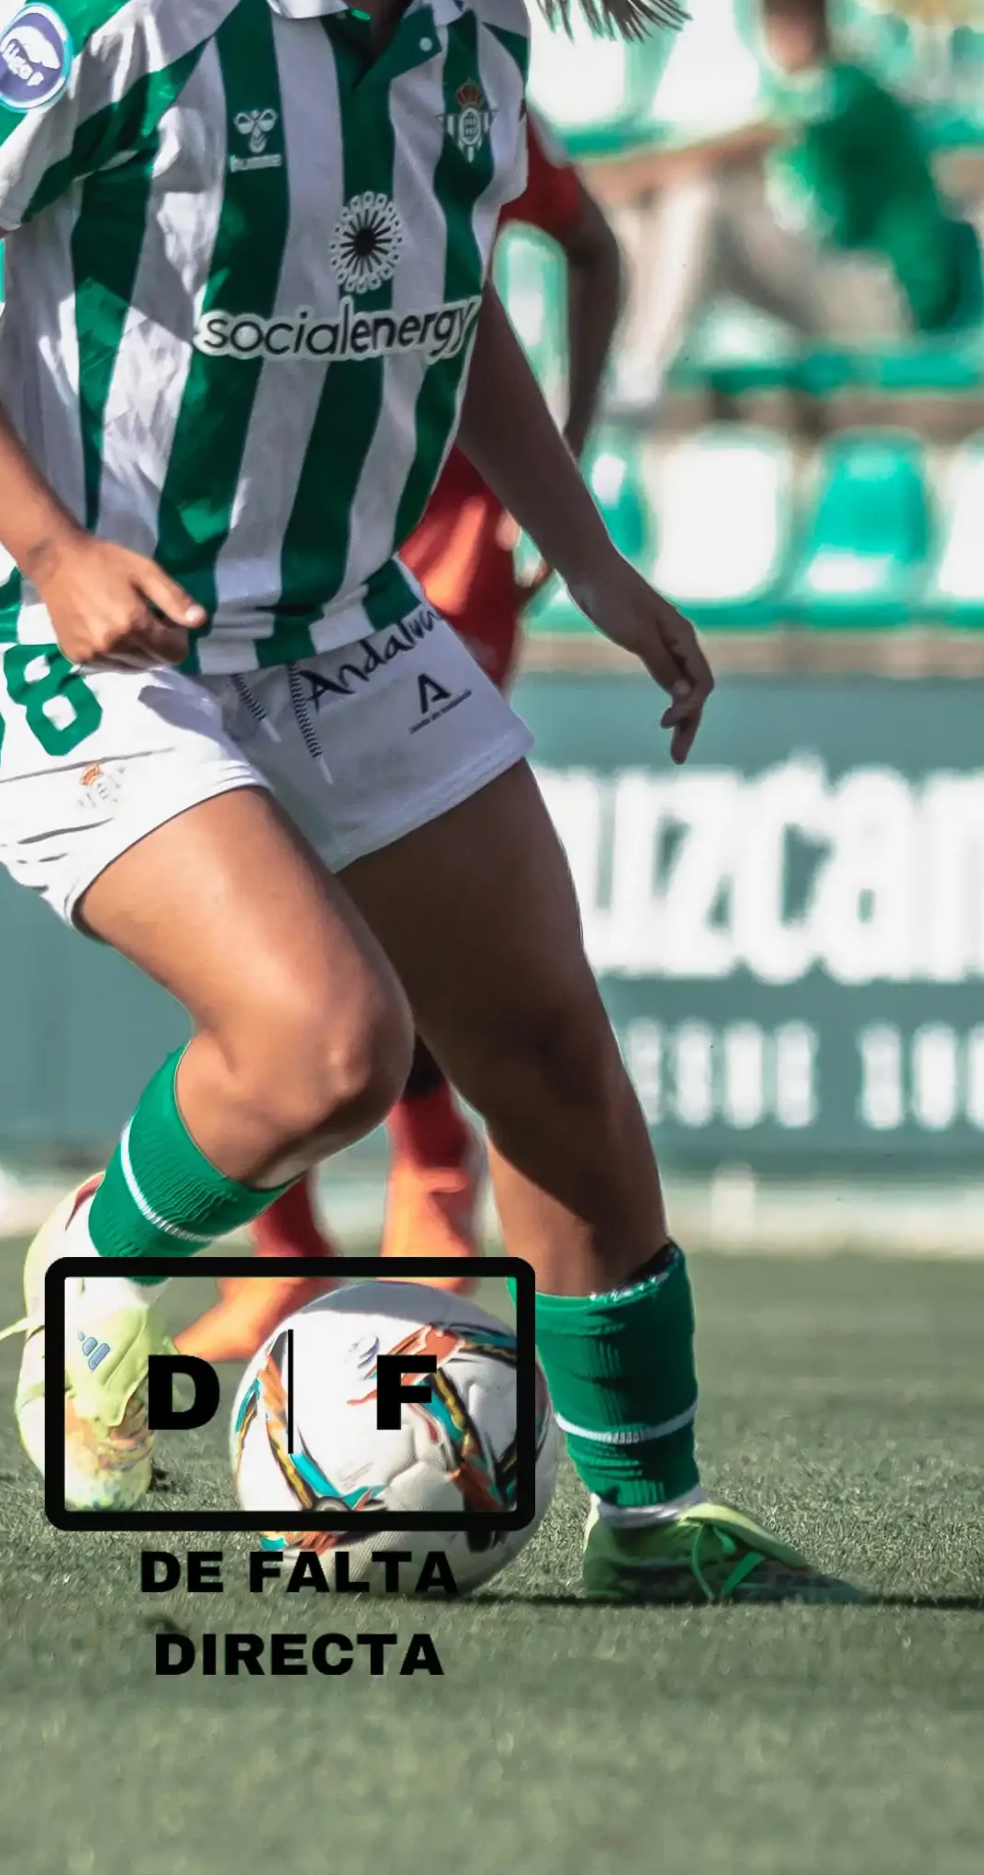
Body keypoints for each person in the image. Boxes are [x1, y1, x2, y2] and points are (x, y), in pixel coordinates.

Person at [0, 0, 854, 1603]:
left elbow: (446, 302)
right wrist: (48, 545)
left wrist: (585, 552)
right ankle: (102, 1269)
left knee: (551, 1063)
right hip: (79, 622)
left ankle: (650, 1521)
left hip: (338, 619)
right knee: (324, 1047)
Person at [171, 104, 626, 1368]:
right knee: (239, 893)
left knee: (393, 891)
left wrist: (564, 471)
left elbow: (593, 248)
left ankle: (431, 1191)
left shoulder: (461, 95)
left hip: (438, 560)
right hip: (265, 560)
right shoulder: (221, 87)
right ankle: (283, 1253)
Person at [612, 0, 984, 415]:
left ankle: (642, 371)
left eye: (799, 12)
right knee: (654, 208)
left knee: (701, 199)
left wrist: (627, 176)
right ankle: (628, 365)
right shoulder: (788, 91)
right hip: (830, 285)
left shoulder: (852, 89)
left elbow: (754, 140)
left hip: (887, 300)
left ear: (822, 18)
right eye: (777, 13)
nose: (788, 28)